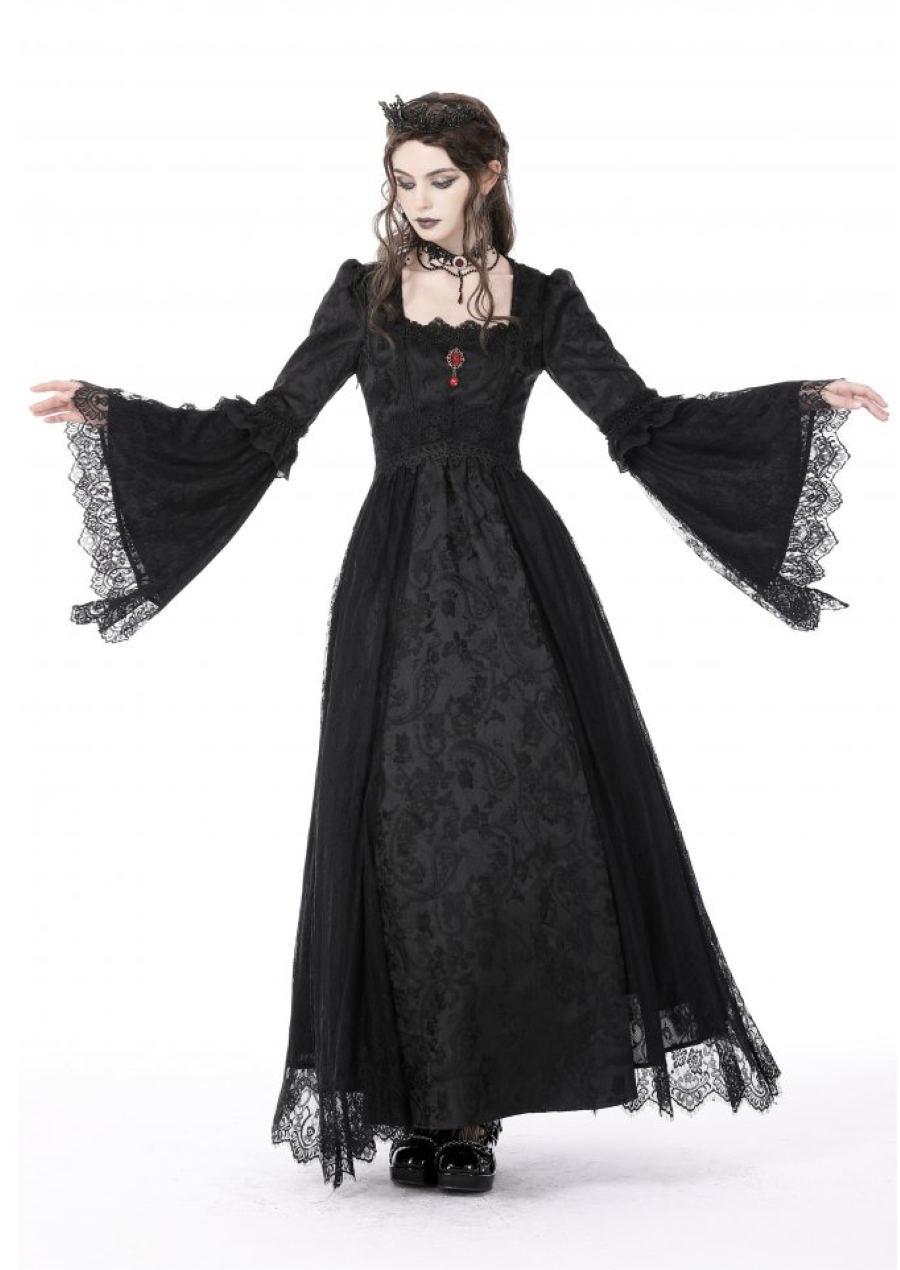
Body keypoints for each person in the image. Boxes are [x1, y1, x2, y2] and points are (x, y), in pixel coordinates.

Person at [29, 90, 889, 1195]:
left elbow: (643, 423)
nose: (419, 200)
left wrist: (798, 402)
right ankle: (418, 1105)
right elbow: (268, 425)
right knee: (404, 824)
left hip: (519, 582)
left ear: (488, 176)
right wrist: (120, 415)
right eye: (403, 181)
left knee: (513, 824)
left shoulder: (543, 300)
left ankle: (471, 1109)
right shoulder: (365, 295)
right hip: (394, 581)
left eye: (440, 178)